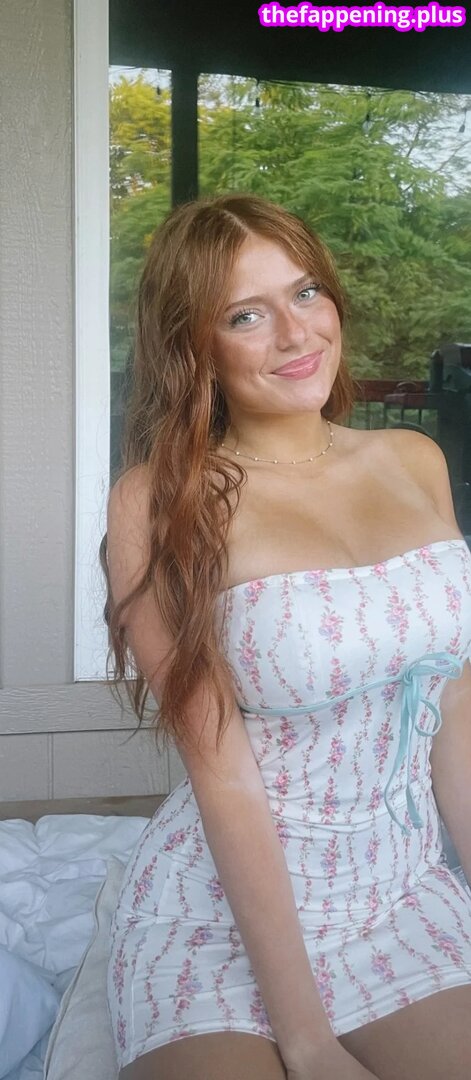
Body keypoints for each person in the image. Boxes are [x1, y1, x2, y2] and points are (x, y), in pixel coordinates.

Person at [101, 192, 471, 1080]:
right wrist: (304, 1039)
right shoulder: (160, 502)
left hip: (396, 889)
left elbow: (454, 710)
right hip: (221, 912)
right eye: (245, 314)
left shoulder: (413, 460)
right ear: (194, 345)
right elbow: (220, 770)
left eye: (305, 292)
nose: (296, 332)